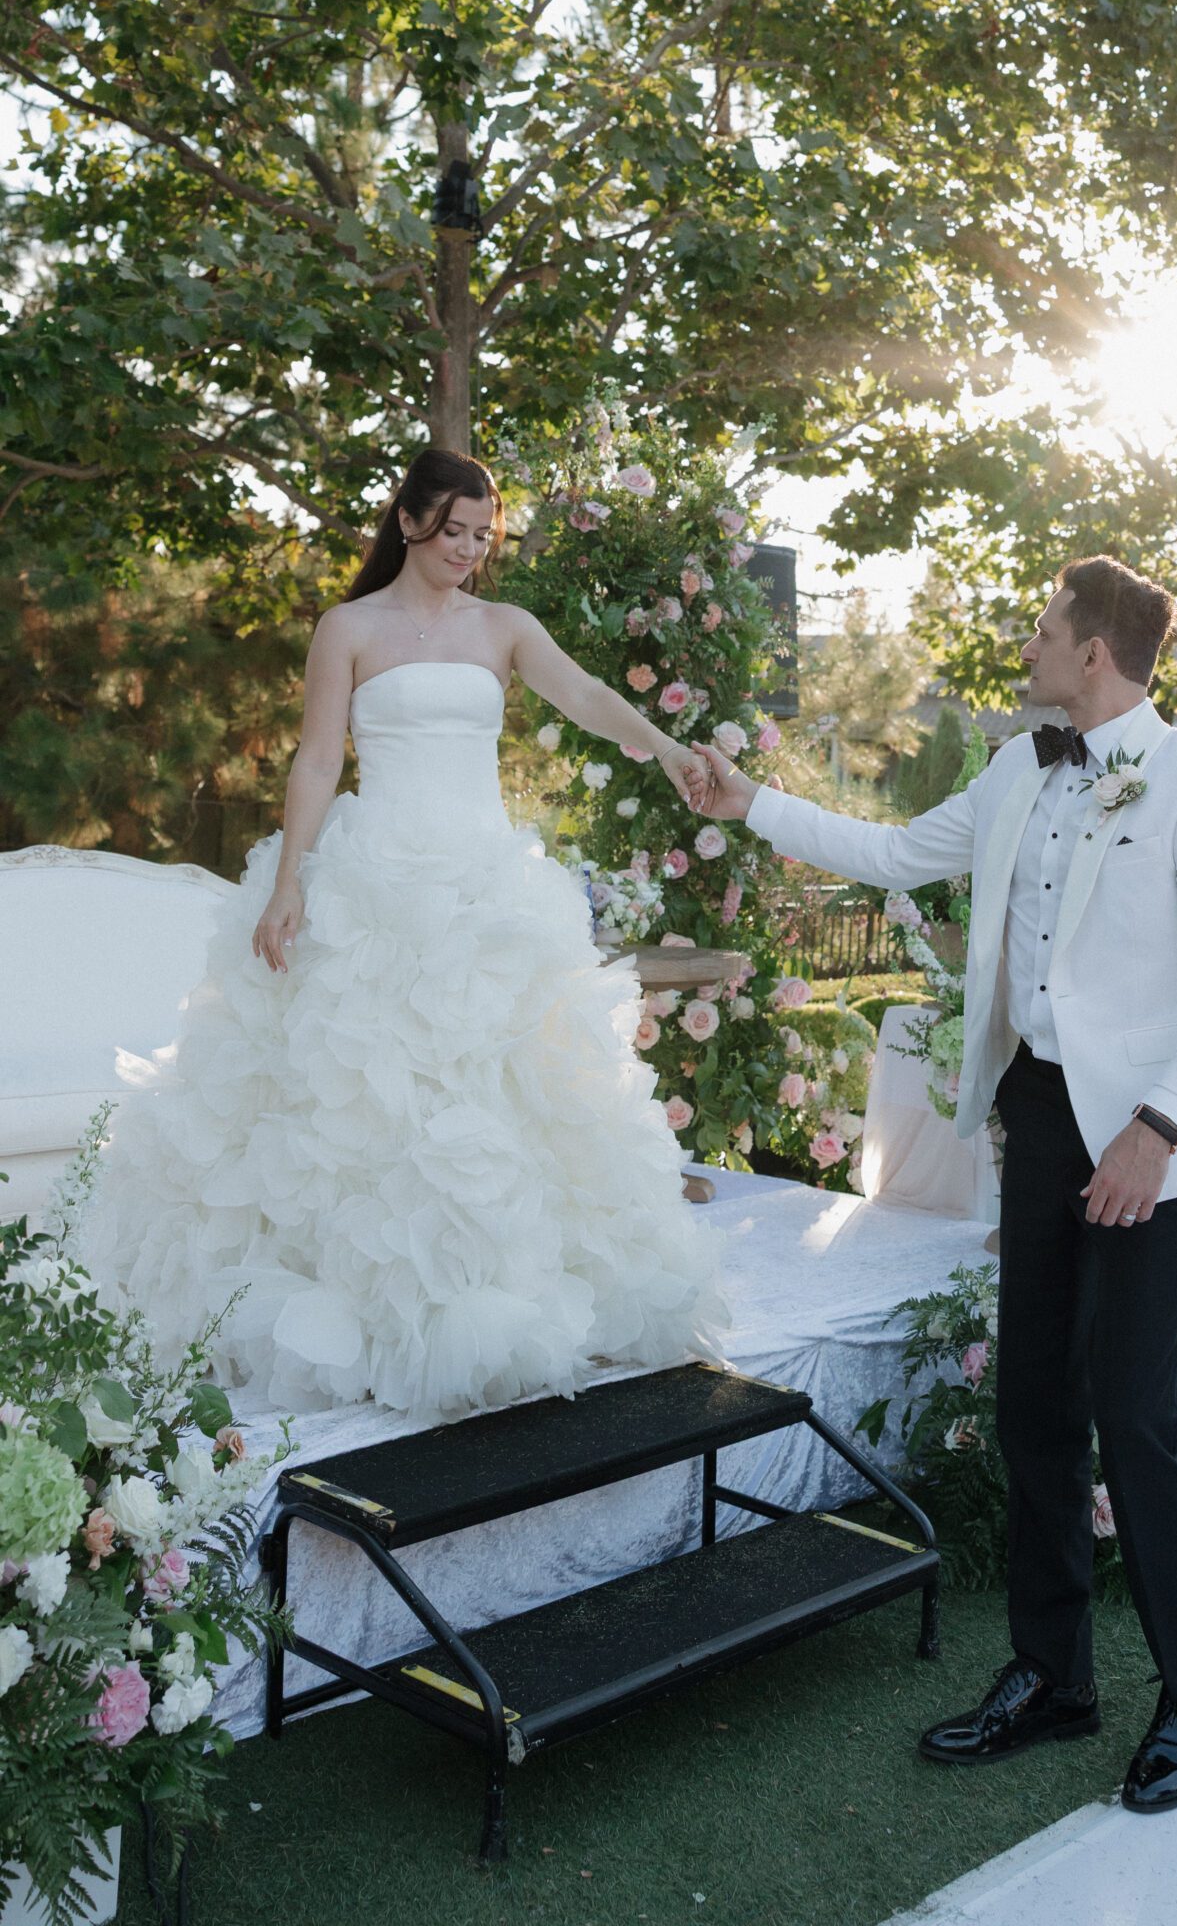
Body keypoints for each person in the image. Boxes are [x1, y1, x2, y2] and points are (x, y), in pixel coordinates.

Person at [695, 557, 1177, 1813]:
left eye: (1043, 629)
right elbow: (894, 852)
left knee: (1137, 1412)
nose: (1027, 647)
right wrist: (751, 803)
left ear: (1094, 652)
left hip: (1151, 1134)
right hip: (1043, 1116)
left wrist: (1156, 1128)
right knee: (1033, 1407)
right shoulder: (1019, 766)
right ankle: (1055, 1675)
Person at [89, 446, 723, 1419]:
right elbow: (315, 760)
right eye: (453, 530)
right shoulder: (348, 627)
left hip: (482, 887)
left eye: (482, 534)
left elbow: (587, 697)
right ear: (410, 520)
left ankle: (506, 1287)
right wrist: (289, 883)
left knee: (503, 1088)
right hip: (375, 883)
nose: (468, 549)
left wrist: (671, 749)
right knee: (361, 1096)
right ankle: (374, 1305)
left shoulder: (503, 627)